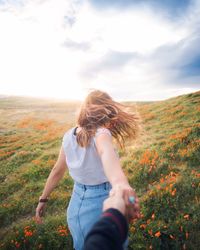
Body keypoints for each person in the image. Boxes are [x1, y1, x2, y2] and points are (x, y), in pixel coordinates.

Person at [35, 90, 140, 250]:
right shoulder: (101, 133)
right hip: (101, 200)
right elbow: (105, 151)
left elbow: (57, 170)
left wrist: (43, 199)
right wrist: (120, 184)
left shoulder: (68, 135)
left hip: (77, 202)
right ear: (105, 110)